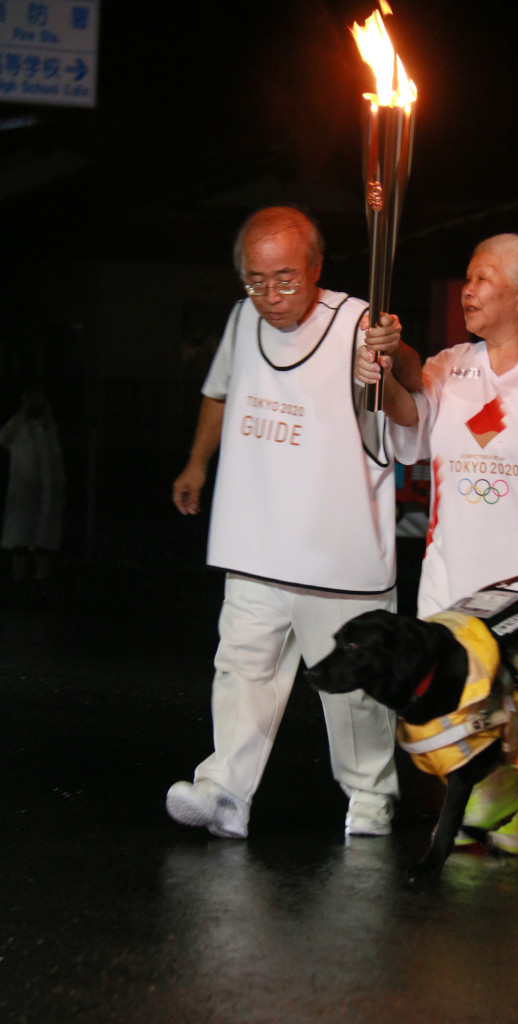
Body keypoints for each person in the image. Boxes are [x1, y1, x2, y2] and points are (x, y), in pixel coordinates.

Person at [166, 205, 422, 840]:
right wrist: (198, 462)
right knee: (241, 669)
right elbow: (221, 392)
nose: (270, 295)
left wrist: (394, 350)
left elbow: (411, 386)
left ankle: (369, 798)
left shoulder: (358, 320)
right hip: (255, 540)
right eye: (255, 280)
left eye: (285, 279)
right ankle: (224, 790)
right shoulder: (241, 318)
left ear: (315, 268)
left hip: (337, 551)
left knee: (352, 689)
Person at [356, 233, 518, 855]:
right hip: (458, 564)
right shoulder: (454, 364)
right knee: (469, 688)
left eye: (484, 279)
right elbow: (413, 396)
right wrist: (387, 355)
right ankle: (488, 791)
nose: (469, 289)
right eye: (467, 276)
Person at [0, 389, 65, 587]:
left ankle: (40, 584)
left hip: (45, 492)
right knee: (21, 538)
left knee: (43, 541)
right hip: (24, 491)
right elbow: (4, 439)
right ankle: (20, 583)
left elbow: (54, 458)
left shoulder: (47, 428)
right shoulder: (17, 426)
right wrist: (23, 410)